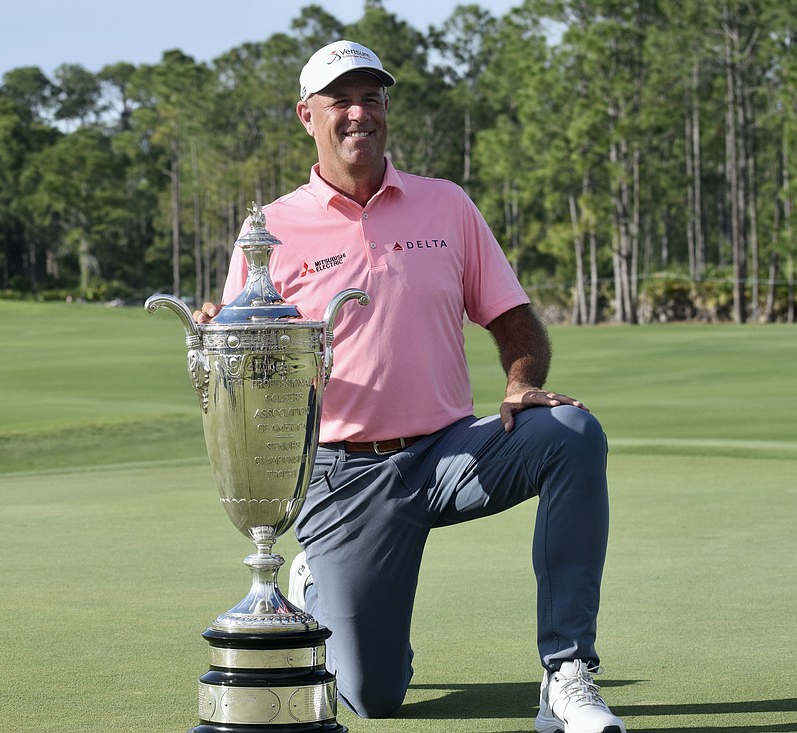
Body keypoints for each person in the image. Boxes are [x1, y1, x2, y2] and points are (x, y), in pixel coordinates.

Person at [194, 40, 626, 733]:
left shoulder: (445, 205)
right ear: (308, 116)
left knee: (572, 434)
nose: (359, 113)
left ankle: (567, 673)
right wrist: (227, 331)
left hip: (451, 450)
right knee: (373, 694)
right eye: (342, 101)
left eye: (372, 99)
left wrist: (521, 382)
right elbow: (253, 369)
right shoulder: (272, 229)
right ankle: (316, 579)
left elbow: (514, 319)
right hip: (345, 476)